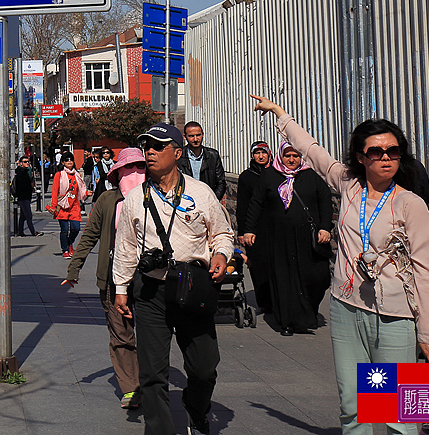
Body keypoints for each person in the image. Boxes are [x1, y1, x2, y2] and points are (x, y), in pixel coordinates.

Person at [251, 95, 429, 435]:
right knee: (355, 409)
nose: (385, 158)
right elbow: (312, 151)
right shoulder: (348, 185)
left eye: (393, 151)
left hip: (396, 317)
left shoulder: (410, 204)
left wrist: (428, 333)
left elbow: (427, 271)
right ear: (360, 157)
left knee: (400, 416)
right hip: (346, 309)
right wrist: (281, 115)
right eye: (376, 152)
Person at [112, 123, 234, 435]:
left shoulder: (199, 192)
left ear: (177, 153)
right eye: (146, 147)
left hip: (193, 286)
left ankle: (196, 409)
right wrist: (122, 289)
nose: (149, 152)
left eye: (157, 146)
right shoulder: (135, 199)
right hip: (152, 289)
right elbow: (125, 246)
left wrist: (221, 255)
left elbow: (221, 233)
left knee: (204, 368)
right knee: (152, 372)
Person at [63, 147, 147, 409]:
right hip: (111, 279)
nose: (134, 173)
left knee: (152, 333)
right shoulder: (107, 201)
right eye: (128, 168)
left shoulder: (158, 198)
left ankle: (152, 382)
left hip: (148, 279)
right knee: (121, 334)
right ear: (117, 173)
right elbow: (89, 235)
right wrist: (74, 270)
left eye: (140, 167)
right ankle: (132, 388)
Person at [242, 141, 332, 336]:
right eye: (287, 156)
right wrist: (249, 230)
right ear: (280, 157)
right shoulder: (269, 176)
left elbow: (325, 201)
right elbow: (255, 204)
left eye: (295, 156)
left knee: (318, 277)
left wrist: (325, 227)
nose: (291, 160)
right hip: (278, 238)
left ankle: (308, 312)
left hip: (307, 239)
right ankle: (287, 322)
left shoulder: (312, 176)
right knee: (284, 279)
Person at [236, 141, 274, 315]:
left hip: (274, 227)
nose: (260, 156)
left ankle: (277, 300)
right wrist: (242, 232)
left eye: (263, 153)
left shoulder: (277, 173)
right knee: (258, 266)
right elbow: (242, 206)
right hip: (254, 229)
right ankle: (264, 301)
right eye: (257, 153)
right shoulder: (247, 177)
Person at [51, 151, 88, 258]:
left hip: (74, 206)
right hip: (62, 206)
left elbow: (81, 190)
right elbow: (54, 191)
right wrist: (54, 206)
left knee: (76, 228)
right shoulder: (59, 175)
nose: (69, 162)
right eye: (66, 160)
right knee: (64, 230)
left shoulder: (77, 175)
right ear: (63, 162)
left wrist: (86, 194)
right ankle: (65, 249)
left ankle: (69, 242)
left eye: (71, 159)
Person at [180, 122, 227, 202]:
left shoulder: (213, 155)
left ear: (203, 135)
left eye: (198, 135)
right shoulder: (179, 156)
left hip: (208, 201)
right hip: (185, 202)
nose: (195, 139)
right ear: (185, 137)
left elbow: (221, 182)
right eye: (191, 136)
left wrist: (212, 200)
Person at [12, 156, 42, 237]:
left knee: (22, 216)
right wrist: (29, 188)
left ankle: (20, 232)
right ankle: (33, 232)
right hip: (23, 197)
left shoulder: (25, 172)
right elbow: (21, 186)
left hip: (25, 197)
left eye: (28, 161)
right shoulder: (21, 173)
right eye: (25, 162)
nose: (27, 163)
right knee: (28, 215)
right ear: (21, 163)